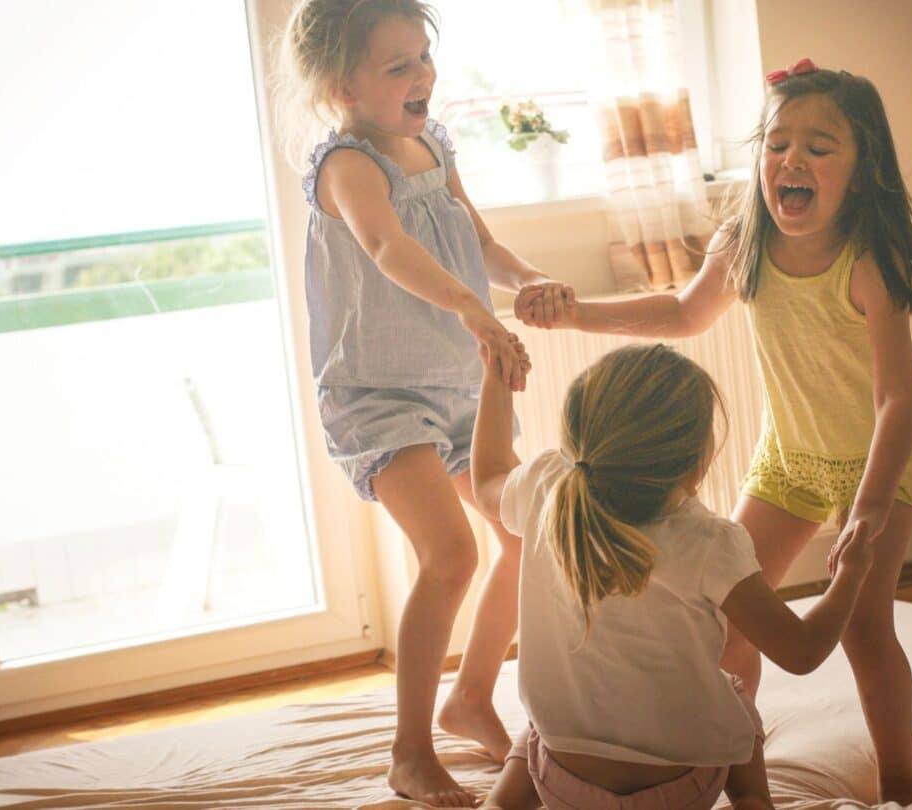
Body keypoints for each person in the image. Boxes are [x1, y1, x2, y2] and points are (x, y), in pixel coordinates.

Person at [517, 59, 912, 803]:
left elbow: (898, 401)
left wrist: (876, 505)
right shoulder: (743, 242)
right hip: (789, 460)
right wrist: (578, 314)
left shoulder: (867, 264)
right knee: (730, 622)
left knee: (863, 628)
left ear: (862, 169)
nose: (792, 160)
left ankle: (901, 783)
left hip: (878, 466)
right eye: (777, 143)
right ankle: (729, 753)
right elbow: (683, 314)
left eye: (820, 148)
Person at [278, 1, 571, 804]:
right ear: (342, 86)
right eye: (397, 66)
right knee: (450, 556)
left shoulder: (433, 145)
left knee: (525, 537)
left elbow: (476, 240)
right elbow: (387, 248)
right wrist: (475, 313)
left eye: (424, 56)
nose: (422, 76)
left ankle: (471, 696)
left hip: (457, 387)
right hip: (378, 392)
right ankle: (409, 753)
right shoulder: (346, 164)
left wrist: (525, 280)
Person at [470, 343, 875, 810]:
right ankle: (752, 799)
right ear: (696, 464)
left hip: (563, 783)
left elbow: (487, 482)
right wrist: (850, 573)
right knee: (734, 694)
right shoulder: (709, 543)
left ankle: (502, 802)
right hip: (682, 787)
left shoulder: (546, 487)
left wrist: (496, 383)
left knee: (549, 722)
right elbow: (802, 651)